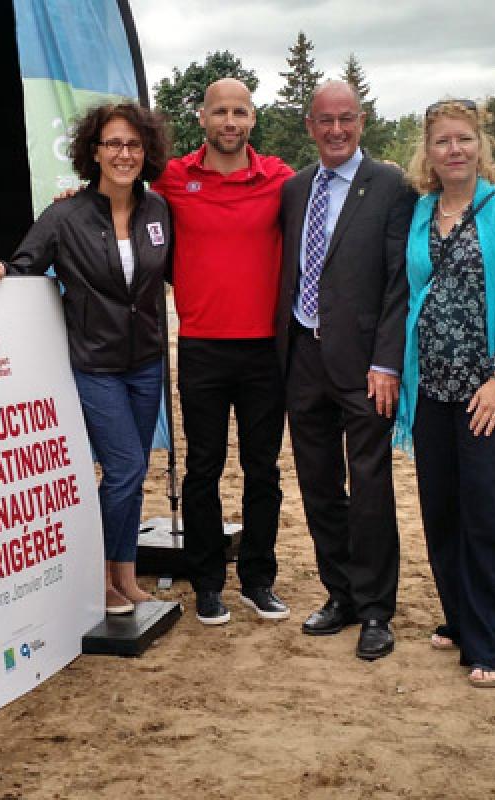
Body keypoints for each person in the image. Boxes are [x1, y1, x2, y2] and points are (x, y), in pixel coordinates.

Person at [0, 101, 173, 614]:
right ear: (94, 151)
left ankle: (124, 577)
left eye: (133, 144)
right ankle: (94, 575)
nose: (124, 153)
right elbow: (24, 265)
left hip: (148, 363)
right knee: (124, 468)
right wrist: (3, 271)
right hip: (94, 366)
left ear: (145, 151)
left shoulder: (158, 210)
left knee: (136, 470)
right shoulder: (65, 214)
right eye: (114, 144)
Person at [394, 98, 495, 687]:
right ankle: (461, 618)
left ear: (479, 147)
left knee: (489, 514)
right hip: (431, 387)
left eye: (463, 139)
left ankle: (493, 643)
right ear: (428, 153)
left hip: (491, 390)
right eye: (442, 142)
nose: (453, 150)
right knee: (443, 511)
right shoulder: (421, 212)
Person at [276, 80, 413, 660]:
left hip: (365, 367)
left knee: (371, 488)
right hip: (302, 355)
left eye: (347, 119)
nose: (336, 130)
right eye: (325, 120)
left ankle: (378, 609)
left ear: (362, 122)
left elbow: (397, 282)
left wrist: (387, 361)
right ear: (310, 126)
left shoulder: (390, 186)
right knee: (318, 484)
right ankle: (342, 595)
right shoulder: (294, 188)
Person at [150, 78, 295, 625]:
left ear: (252, 118)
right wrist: (78, 195)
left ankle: (258, 580)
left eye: (240, 112)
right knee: (202, 469)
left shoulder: (280, 178)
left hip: (265, 352)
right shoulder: (173, 177)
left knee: (264, 470)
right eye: (220, 112)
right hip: (203, 347)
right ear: (202, 117)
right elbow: (118, 194)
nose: (230, 122)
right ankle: (208, 584)